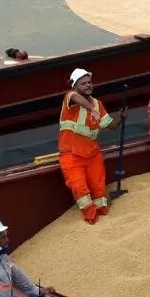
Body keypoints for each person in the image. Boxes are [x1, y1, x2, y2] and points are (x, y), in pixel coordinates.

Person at [58, 67, 116, 224]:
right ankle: (90, 215)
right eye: (83, 83)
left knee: (99, 188)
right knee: (79, 188)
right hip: (71, 154)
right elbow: (75, 97)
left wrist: (121, 117)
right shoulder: (70, 97)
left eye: (89, 82)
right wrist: (91, 110)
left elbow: (109, 124)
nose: (88, 85)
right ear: (75, 86)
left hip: (92, 154)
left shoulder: (97, 104)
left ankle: (102, 210)